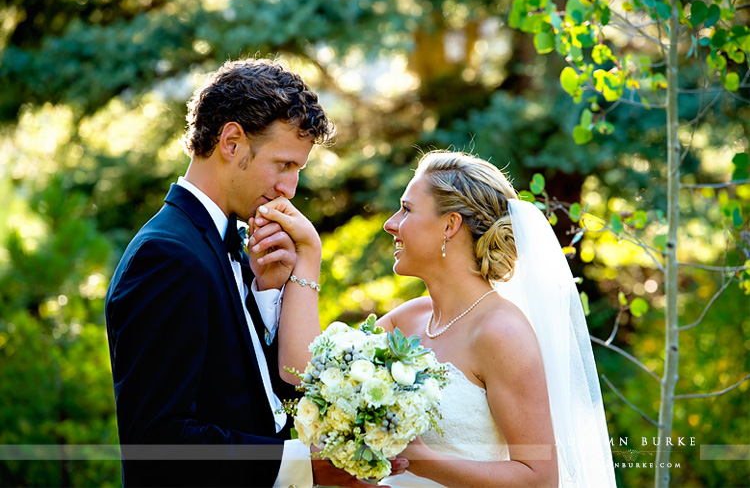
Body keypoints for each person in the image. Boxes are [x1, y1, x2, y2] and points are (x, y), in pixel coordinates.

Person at [105, 58, 406, 487]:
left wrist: (268, 294)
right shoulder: (167, 255)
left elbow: (249, 397)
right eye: (284, 164)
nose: (290, 188)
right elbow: (157, 439)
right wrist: (307, 466)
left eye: (297, 170)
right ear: (231, 142)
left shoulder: (230, 245)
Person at [366, 151, 616, 487]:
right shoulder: (406, 320)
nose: (390, 223)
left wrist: (423, 462)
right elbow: (313, 375)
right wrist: (300, 270)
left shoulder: (502, 333)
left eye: (407, 209)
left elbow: (539, 478)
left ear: (450, 225)